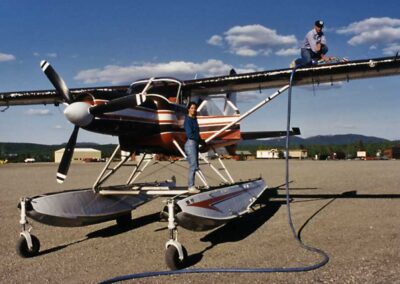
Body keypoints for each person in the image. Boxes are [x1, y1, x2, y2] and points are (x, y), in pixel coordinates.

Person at [184, 102, 202, 194]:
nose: (193, 109)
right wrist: (199, 139)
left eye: (195, 108)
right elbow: (190, 134)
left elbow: (197, 133)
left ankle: (192, 185)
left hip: (195, 143)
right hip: (190, 143)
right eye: (192, 108)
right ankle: (190, 186)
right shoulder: (188, 120)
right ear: (188, 109)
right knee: (193, 166)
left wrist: (202, 142)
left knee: (195, 166)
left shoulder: (194, 119)